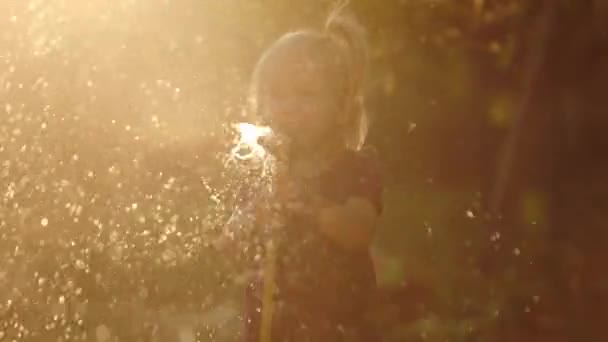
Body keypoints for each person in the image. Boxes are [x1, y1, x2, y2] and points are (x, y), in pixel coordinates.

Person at [242, 5, 383, 341]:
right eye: (277, 95)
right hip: (271, 325)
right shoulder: (267, 167)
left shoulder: (356, 167)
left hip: (338, 326)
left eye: (305, 95)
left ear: (341, 107)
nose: (288, 106)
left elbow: (359, 230)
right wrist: (256, 218)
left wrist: (313, 207)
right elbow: (234, 237)